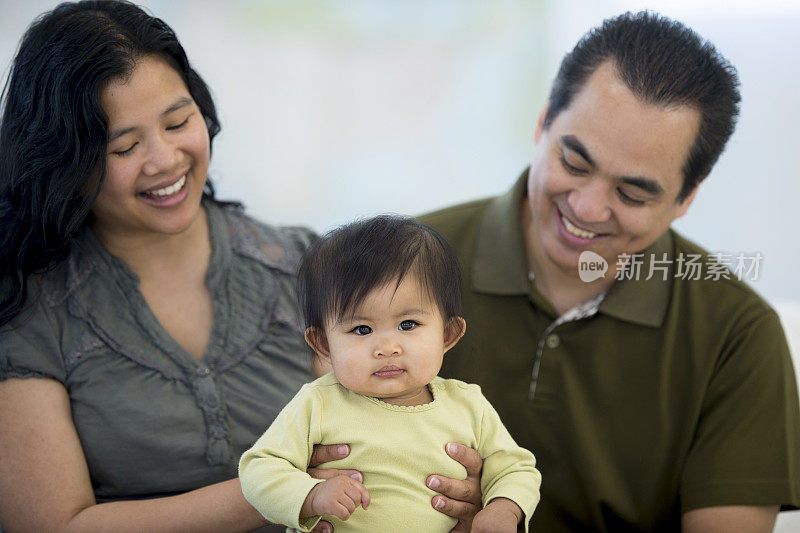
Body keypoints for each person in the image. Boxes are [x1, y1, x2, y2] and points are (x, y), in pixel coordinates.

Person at [0, 2, 480, 531]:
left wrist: (455, 486)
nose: (165, 159)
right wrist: (282, 490)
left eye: (179, 121)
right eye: (126, 146)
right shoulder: (27, 311)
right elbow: (55, 525)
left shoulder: (308, 267)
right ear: (65, 159)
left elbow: (414, 418)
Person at [419, 10, 800, 533]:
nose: (588, 208)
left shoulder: (737, 335)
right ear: (543, 122)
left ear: (687, 196)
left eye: (632, 192)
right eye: (574, 163)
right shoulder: (402, 265)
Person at [239, 215, 541, 532]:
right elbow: (258, 469)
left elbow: (516, 469)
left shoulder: (468, 405)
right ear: (323, 345)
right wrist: (310, 495)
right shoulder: (317, 404)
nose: (386, 347)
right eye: (362, 328)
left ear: (448, 335)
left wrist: (503, 509)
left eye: (407, 325)